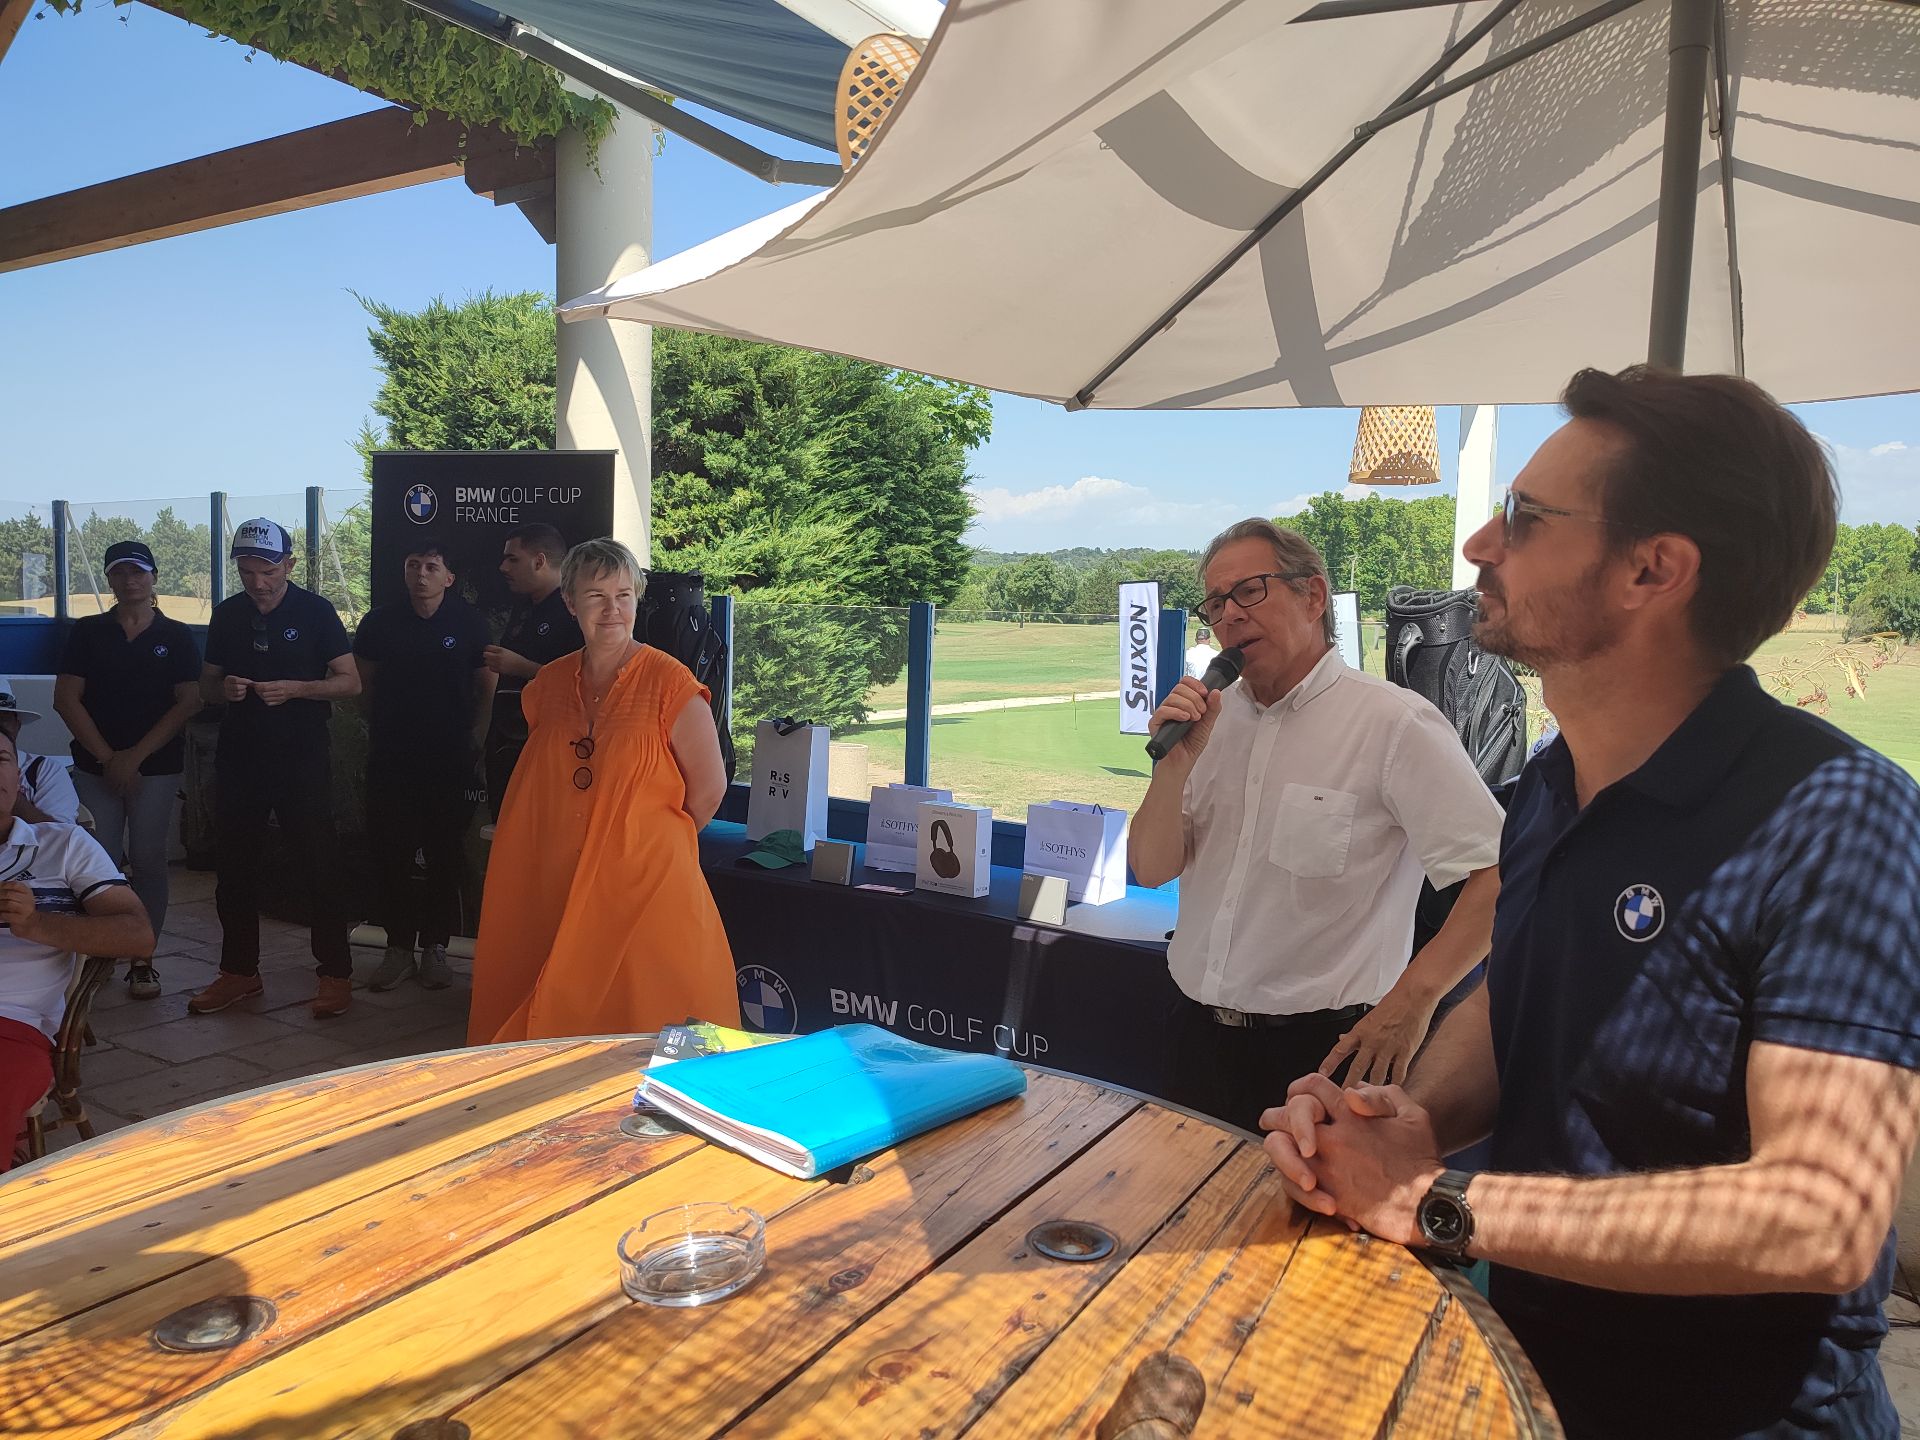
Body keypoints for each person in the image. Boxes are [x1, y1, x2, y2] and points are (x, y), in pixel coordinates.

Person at [1263, 367, 1920, 1439]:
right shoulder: (1550, 784)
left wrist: (1436, 1202)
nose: (1480, 542)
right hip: (1529, 1384)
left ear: (1653, 570)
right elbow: (1521, 995)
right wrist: (1410, 1123)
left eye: (1524, 519)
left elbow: (1825, 1216)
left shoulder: (1836, 815)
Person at [1128, 519, 1504, 1134]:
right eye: (1216, 603)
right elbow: (1150, 869)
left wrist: (1413, 1002)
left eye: (1250, 590)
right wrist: (1172, 768)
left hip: (1324, 1054)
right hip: (1191, 1035)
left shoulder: (1393, 723)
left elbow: (1497, 875)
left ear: (1313, 596)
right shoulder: (1208, 723)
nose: (1230, 615)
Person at [467, 538, 735, 1044]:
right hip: (559, 879)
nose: (612, 609)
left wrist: (643, 837)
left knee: (652, 1009)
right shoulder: (547, 685)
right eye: (596, 596)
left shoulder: (671, 683)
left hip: (646, 884)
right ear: (571, 603)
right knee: (557, 1011)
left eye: (623, 595)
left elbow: (709, 789)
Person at [191, 518, 362, 1019]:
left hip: (301, 757)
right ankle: (239, 972)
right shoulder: (227, 615)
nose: (259, 583)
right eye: (247, 573)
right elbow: (205, 685)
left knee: (318, 863)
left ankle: (335, 973)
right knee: (234, 868)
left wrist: (297, 689)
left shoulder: (315, 611)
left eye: (267, 572)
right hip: (241, 756)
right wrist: (223, 690)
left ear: (289, 564)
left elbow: (350, 682)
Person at [53, 539, 203, 999]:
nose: (129, 580)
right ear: (109, 579)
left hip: (156, 768)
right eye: (119, 572)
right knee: (97, 861)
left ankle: (143, 959)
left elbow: (189, 701)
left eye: (138, 571)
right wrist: (108, 758)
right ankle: (97, 957)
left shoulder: (176, 635)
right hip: (95, 767)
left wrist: (133, 758)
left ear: (154, 577)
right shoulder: (88, 632)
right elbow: (66, 699)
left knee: (149, 859)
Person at [0, 728, 154, 1169]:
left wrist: (36, 924)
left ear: (18, 776)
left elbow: (138, 935)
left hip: (12, 1025)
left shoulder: (63, 844)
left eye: (0, 760)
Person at [352, 539, 494, 993]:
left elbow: (487, 687)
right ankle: (397, 949)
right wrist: (384, 727)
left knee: (444, 854)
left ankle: (436, 948)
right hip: (392, 758)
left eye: (432, 567)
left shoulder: (469, 623)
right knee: (391, 853)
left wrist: (476, 737)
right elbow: (362, 684)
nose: (421, 574)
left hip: (449, 759)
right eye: (413, 565)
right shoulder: (379, 623)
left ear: (449, 577)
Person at [482, 523, 582, 821]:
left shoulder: (575, 611)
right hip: (508, 742)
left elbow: (585, 682)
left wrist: (521, 667)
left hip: (550, 749)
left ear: (539, 561)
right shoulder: (525, 607)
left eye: (513, 559)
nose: (503, 567)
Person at [0, 681, 79, 826]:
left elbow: (63, 834)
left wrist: (11, 796)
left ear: (17, 725)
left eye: (2, 719)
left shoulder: (45, 770)